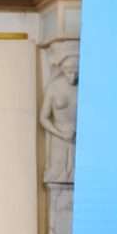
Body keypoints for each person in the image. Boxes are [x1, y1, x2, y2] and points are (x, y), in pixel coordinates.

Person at [39, 50, 79, 184]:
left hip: (78, 137)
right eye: (70, 72)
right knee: (57, 173)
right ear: (63, 70)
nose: (73, 77)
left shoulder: (85, 87)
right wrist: (61, 134)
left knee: (77, 172)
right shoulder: (54, 87)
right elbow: (43, 118)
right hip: (59, 136)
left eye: (76, 73)